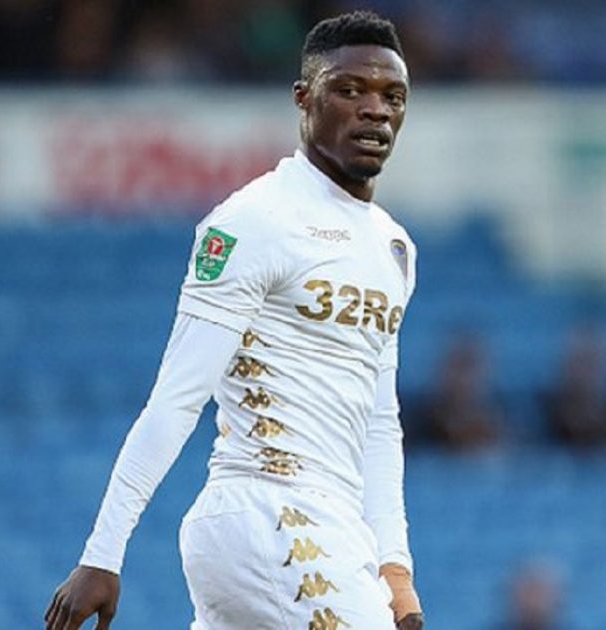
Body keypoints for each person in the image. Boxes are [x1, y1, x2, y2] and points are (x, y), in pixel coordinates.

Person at [44, 11, 423, 630]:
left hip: (339, 524)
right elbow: (177, 397)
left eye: (392, 97)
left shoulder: (394, 248)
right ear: (304, 99)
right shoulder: (253, 221)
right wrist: (103, 553)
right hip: (266, 510)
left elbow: (379, 419)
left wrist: (396, 574)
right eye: (350, 90)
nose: (375, 111)